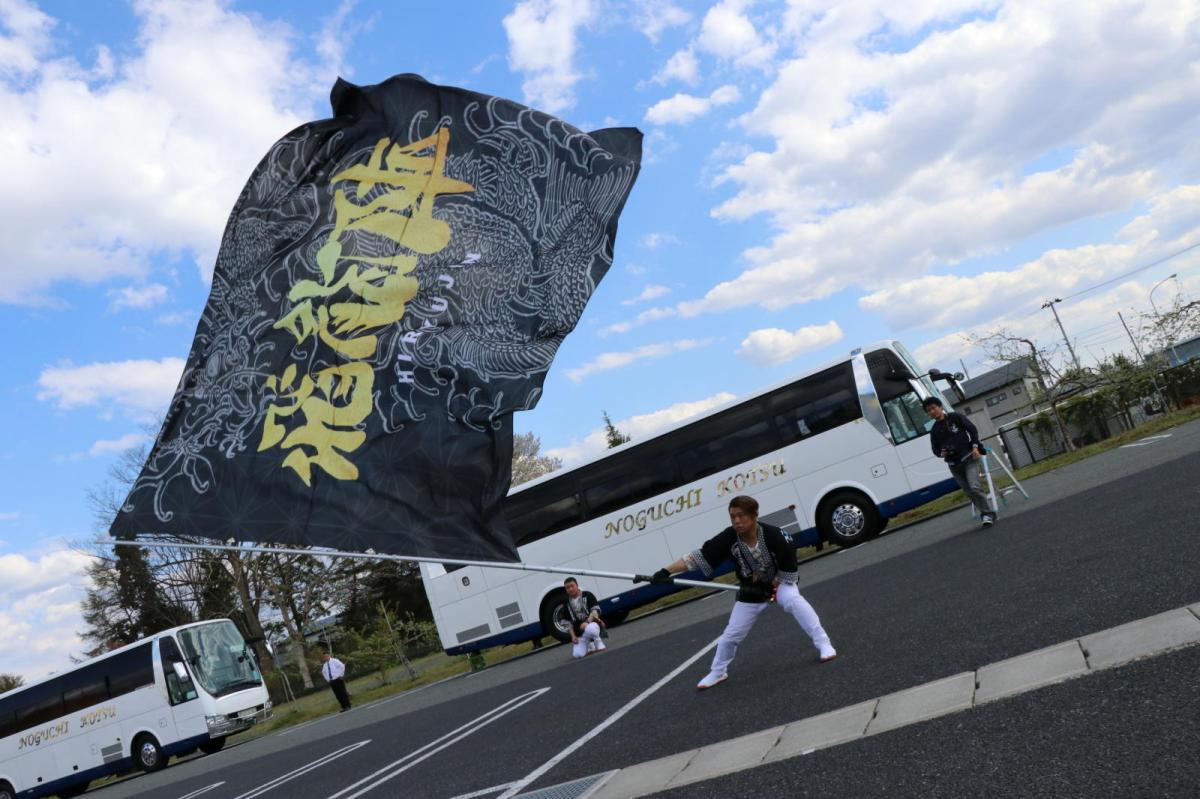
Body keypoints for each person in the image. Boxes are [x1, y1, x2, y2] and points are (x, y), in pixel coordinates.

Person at [644, 495, 836, 690]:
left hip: (780, 583)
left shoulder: (775, 535)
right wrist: (665, 571)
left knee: (793, 600)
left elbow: (789, 567)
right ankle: (718, 672)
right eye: (733, 516)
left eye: (741, 516)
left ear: (754, 516)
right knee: (732, 633)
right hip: (750, 591)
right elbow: (697, 557)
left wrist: (771, 583)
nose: (736, 521)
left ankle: (823, 644)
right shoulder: (729, 538)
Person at [922, 396, 996, 527]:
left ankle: (987, 514)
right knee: (968, 492)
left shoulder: (955, 417)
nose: (932, 411)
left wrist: (974, 446)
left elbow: (972, 430)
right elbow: (935, 449)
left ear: (940, 407)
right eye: (929, 410)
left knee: (974, 487)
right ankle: (986, 512)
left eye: (934, 408)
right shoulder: (934, 430)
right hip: (953, 465)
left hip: (968, 457)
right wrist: (941, 453)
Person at [563, 576, 607, 658]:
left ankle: (598, 642)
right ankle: (589, 644)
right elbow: (567, 623)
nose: (570, 589)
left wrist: (587, 622)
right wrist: (573, 636)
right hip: (580, 632)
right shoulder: (566, 603)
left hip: (592, 624)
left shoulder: (587, 595)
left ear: (577, 585)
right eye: (567, 587)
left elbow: (595, 611)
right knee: (577, 654)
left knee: (591, 629)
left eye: (572, 586)